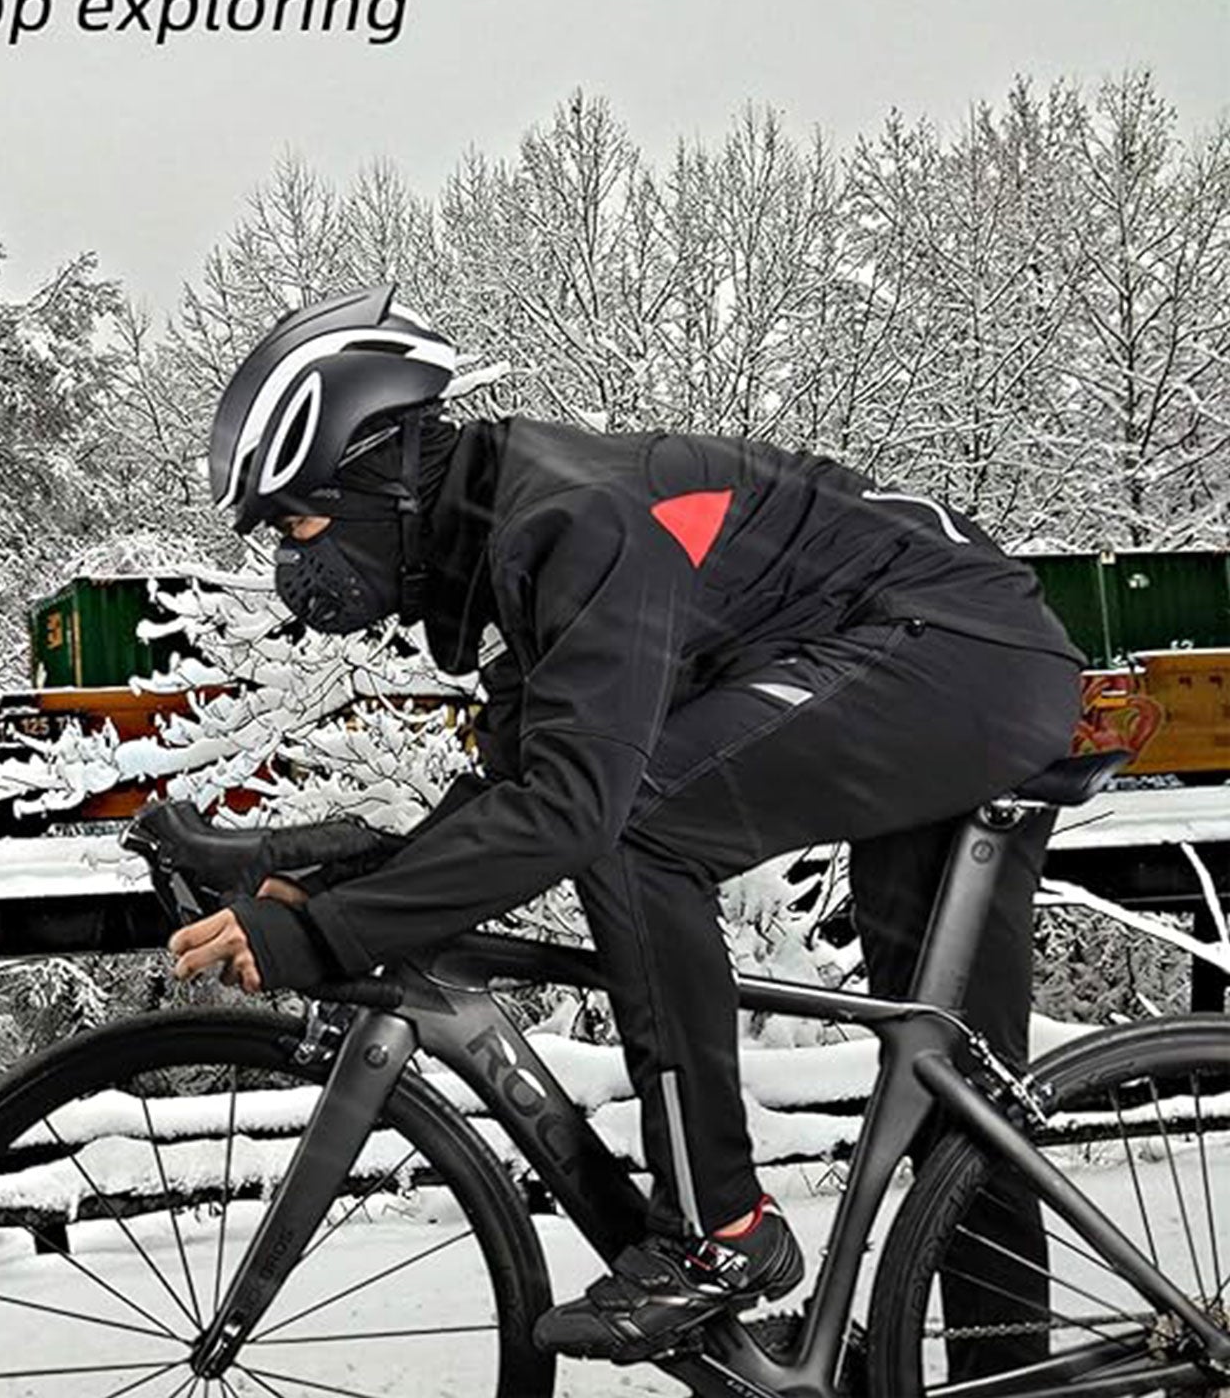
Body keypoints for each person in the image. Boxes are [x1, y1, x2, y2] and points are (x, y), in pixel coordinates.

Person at [167, 283, 1084, 1366]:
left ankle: (718, 1230)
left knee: (635, 824)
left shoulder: (578, 519)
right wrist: (329, 898)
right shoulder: (512, 536)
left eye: (300, 522)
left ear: (384, 480)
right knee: (958, 1095)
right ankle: (1012, 1372)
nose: (292, 567)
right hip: (944, 656)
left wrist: (319, 937)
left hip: (960, 654)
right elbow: (516, 789)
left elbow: (572, 810)